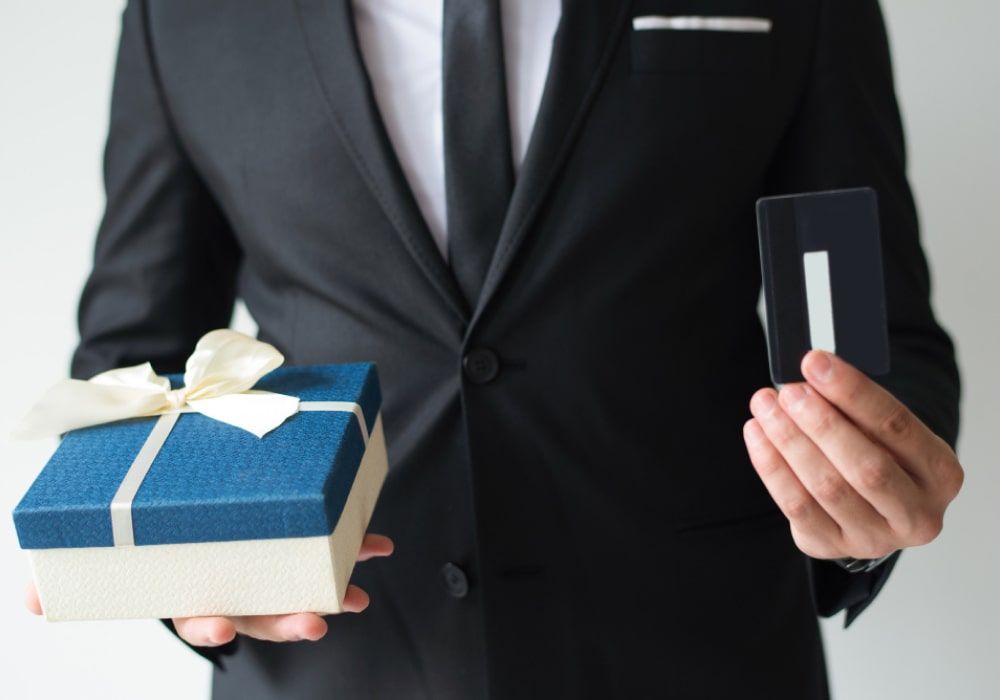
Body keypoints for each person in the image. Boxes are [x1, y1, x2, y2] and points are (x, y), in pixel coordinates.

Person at [25, 0, 964, 698]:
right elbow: (134, 355)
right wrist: (187, 576)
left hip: (701, 653)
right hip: (335, 664)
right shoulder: (178, 15)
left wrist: (861, 510)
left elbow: (879, 334)